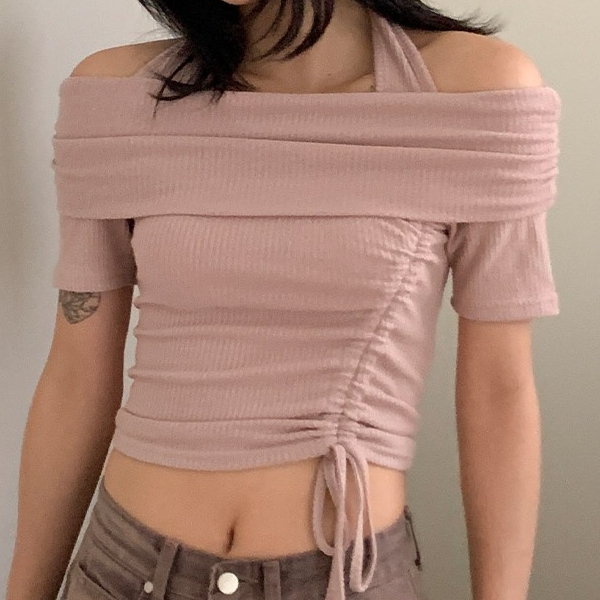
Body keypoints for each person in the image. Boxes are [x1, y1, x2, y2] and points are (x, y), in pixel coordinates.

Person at [7, 0, 562, 599]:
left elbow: (499, 390)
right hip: (121, 570)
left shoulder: (477, 96)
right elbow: (77, 376)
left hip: (339, 579)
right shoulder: (115, 97)